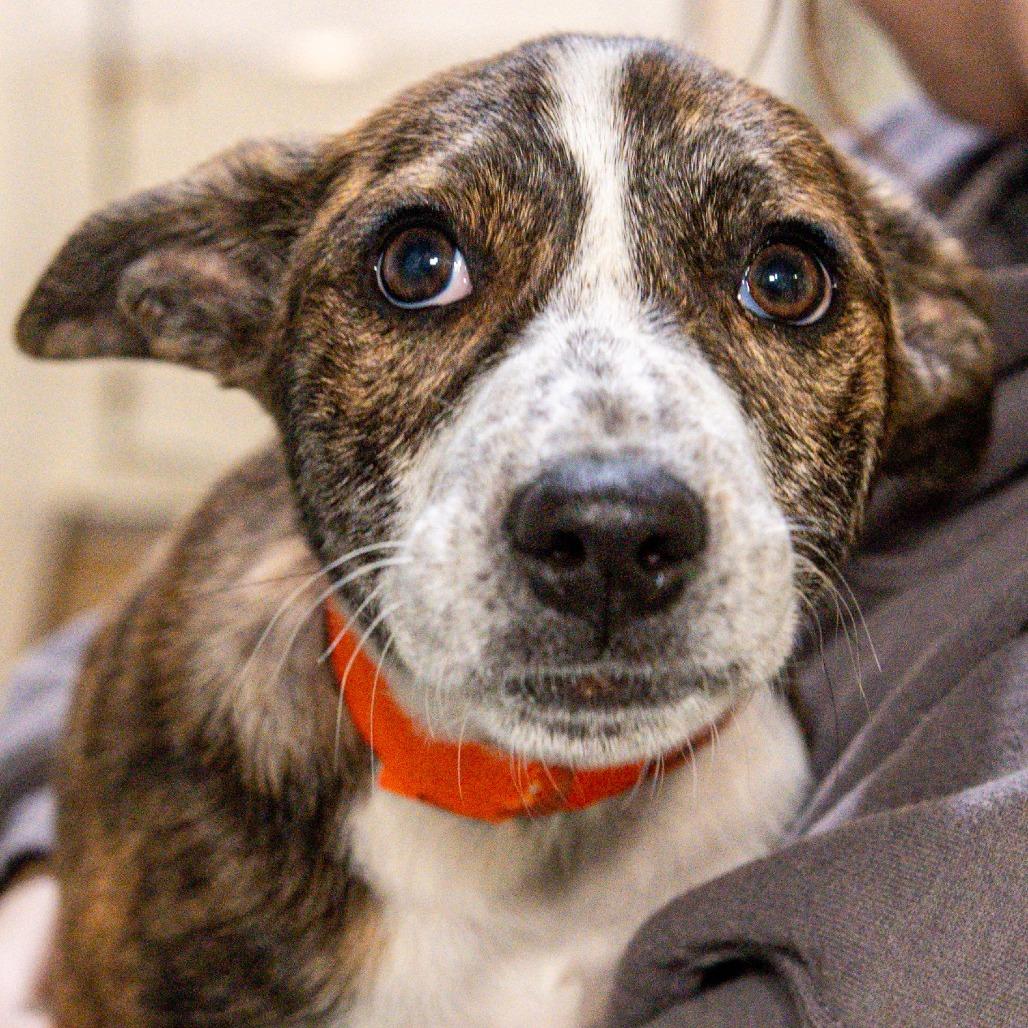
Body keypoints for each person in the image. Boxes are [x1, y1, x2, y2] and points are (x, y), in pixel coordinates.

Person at [1, 4, 1025, 1025]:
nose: (611, 516)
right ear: (228, 291)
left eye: (778, 283)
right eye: (418, 268)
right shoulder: (936, 159)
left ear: (923, 353)